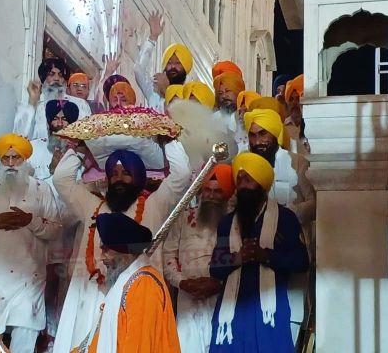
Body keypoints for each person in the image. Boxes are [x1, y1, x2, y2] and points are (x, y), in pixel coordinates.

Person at [51, 141, 190, 353]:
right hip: (90, 297)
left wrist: (169, 141)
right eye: (113, 173)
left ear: (138, 176)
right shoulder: (92, 207)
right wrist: (78, 150)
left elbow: (182, 174)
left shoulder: (154, 205)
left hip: (138, 297)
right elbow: (61, 180)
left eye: (126, 173)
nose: (118, 179)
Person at [0, 133, 60, 353]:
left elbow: (55, 229)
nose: (11, 163)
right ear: (0, 161)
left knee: (24, 339)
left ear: (26, 160)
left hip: (29, 278)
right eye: (6, 158)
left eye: (17, 158)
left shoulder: (41, 189)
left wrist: (30, 221)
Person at [209, 152, 309, 353]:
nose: (243, 186)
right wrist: (239, 257)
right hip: (232, 312)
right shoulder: (227, 222)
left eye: (248, 180)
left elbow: (301, 262)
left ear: (263, 185)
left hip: (269, 312)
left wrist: (266, 256)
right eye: (239, 180)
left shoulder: (285, 218)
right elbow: (215, 268)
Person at [74, 213, 181, 353]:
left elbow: (139, 347)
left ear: (125, 252)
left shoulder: (144, 285)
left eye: (106, 250)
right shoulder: (125, 283)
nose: (101, 258)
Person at [163, 164, 234, 353]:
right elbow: (169, 255)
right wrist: (183, 283)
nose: (211, 196)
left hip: (222, 298)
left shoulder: (235, 223)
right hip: (188, 297)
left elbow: (239, 261)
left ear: (227, 194)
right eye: (207, 190)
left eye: (218, 191)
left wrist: (218, 283)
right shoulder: (182, 218)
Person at [14, 58, 93, 180]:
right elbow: (19, 137)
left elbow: (87, 138)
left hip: (69, 168)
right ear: (43, 80)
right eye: (51, 74)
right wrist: (32, 101)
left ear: (65, 81)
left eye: (60, 75)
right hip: (38, 167)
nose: (56, 79)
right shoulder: (37, 106)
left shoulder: (79, 104)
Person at [134, 11, 193, 112]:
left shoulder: (189, 94)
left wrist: (166, 91)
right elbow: (138, 70)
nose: (173, 66)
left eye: (178, 63)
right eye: (169, 63)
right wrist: (152, 38)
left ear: (185, 67)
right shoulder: (155, 93)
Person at [283, 74, 309, 154]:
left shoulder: (311, 125)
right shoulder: (283, 128)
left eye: (298, 98)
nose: (294, 103)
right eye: (291, 99)